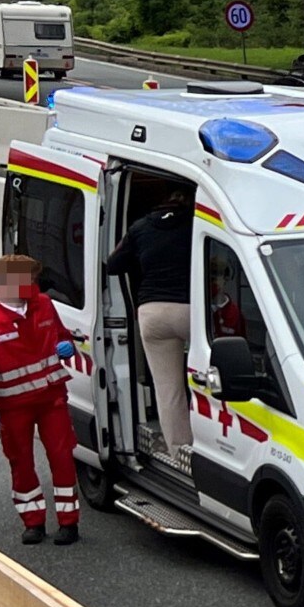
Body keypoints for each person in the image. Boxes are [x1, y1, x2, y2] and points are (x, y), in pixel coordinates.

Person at [0, 255, 81, 546]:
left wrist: (66, 346)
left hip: (50, 397)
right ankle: (33, 522)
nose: (34, 287)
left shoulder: (42, 305)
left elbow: (61, 335)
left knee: (62, 457)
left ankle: (69, 522)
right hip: (14, 404)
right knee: (21, 462)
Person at [103, 187, 194, 455]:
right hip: (192, 310)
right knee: (212, 379)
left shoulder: (140, 227)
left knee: (168, 388)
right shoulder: (196, 222)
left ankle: (179, 449)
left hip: (152, 312)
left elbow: (113, 265)